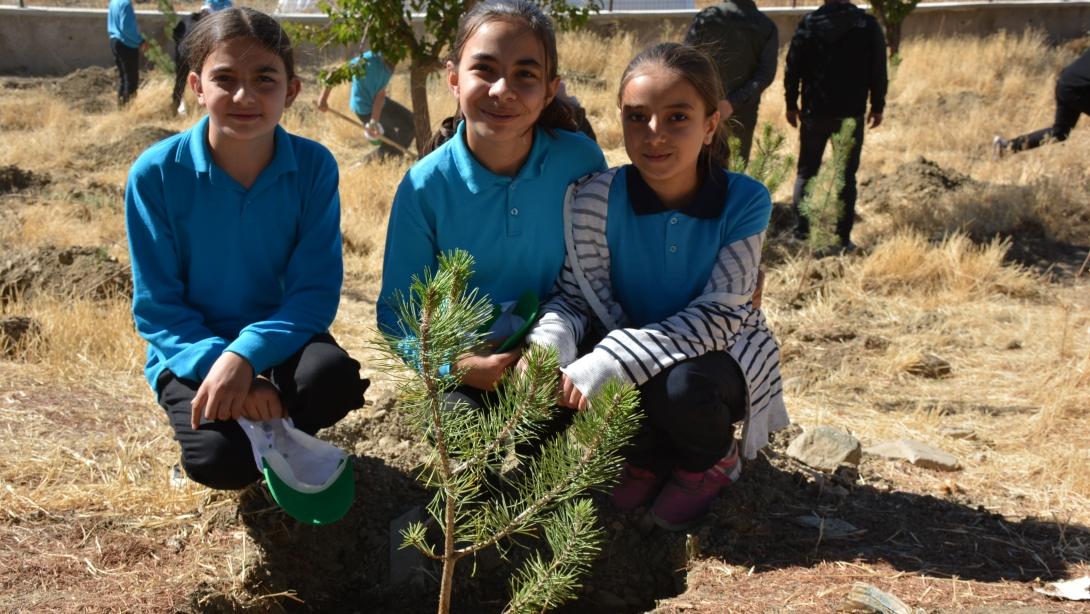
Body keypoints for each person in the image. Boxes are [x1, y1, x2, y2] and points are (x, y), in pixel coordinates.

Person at [526, 42, 788, 531]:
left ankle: (709, 462)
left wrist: (609, 360)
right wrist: (548, 348)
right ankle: (644, 460)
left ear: (710, 125)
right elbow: (576, 297)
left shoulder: (743, 200)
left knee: (680, 386)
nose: (654, 134)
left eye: (677, 117)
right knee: (585, 373)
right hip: (630, 344)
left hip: (717, 358)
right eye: (637, 117)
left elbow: (719, 317)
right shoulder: (595, 199)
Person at [125, 7, 368, 491]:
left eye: (264, 79)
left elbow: (314, 293)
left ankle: (274, 428)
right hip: (193, 349)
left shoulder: (313, 167)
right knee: (221, 462)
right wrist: (224, 365)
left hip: (279, 339)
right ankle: (247, 432)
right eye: (225, 79)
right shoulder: (156, 175)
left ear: (291, 90)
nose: (244, 96)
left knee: (332, 380)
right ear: (197, 86)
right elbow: (159, 309)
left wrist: (247, 358)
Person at [377, 0, 606, 407]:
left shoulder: (580, 163)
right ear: (453, 78)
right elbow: (398, 316)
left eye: (525, 74)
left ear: (550, 89)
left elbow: (600, 275)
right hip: (467, 366)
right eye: (484, 69)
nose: (502, 90)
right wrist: (456, 365)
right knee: (459, 425)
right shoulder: (424, 186)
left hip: (563, 354)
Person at [784, 0, 887, 251]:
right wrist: (877, 105)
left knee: (806, 173)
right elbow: (878, 69)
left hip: (814, 113)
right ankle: (842, 239)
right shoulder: (867, 25)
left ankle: (801, 234)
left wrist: (791, 103)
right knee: (846, 177)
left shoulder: (809, 24)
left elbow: (792, 68)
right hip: (850, 115)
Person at [684, 0, 778, 165]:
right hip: (742, 114)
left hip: (703, 110)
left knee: (699, 167)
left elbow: (686, 62)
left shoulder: (706, 18)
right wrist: (732, 103)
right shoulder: (766, 26)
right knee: (736, 171)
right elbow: (765, 74)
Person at [317, 48, 416, 160]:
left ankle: (395, 154)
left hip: (379, 102)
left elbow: (380, 95)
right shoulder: (367, 60)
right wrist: (323, 98)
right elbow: (335, 74)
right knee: (390, 144)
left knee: (411, 123)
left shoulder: (391, 64)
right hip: (364, 107)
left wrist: (374, 121)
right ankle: (366, 162)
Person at [994, 48, 1090, 155]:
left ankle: (1006, 147)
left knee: (1059, 133)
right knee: (1060, 132)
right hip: (1076, 89)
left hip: (1064, 84)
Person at [107, 0, 146, 106]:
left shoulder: (114, 2)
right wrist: (140, 41)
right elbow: (126, 28)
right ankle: (128, 109)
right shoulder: (126, 4)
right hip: (126, 44)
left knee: (123, 79)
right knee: (131, 81)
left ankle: (121, 108)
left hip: (115, 41)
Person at [171, 8, 209, 115]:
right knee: (204, 80)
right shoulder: (207, 24)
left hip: (182, 53)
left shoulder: (187, 19)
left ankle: (175, 107)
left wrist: (179, 46)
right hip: (195, 56)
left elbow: (174, 34)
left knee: (180, 82)